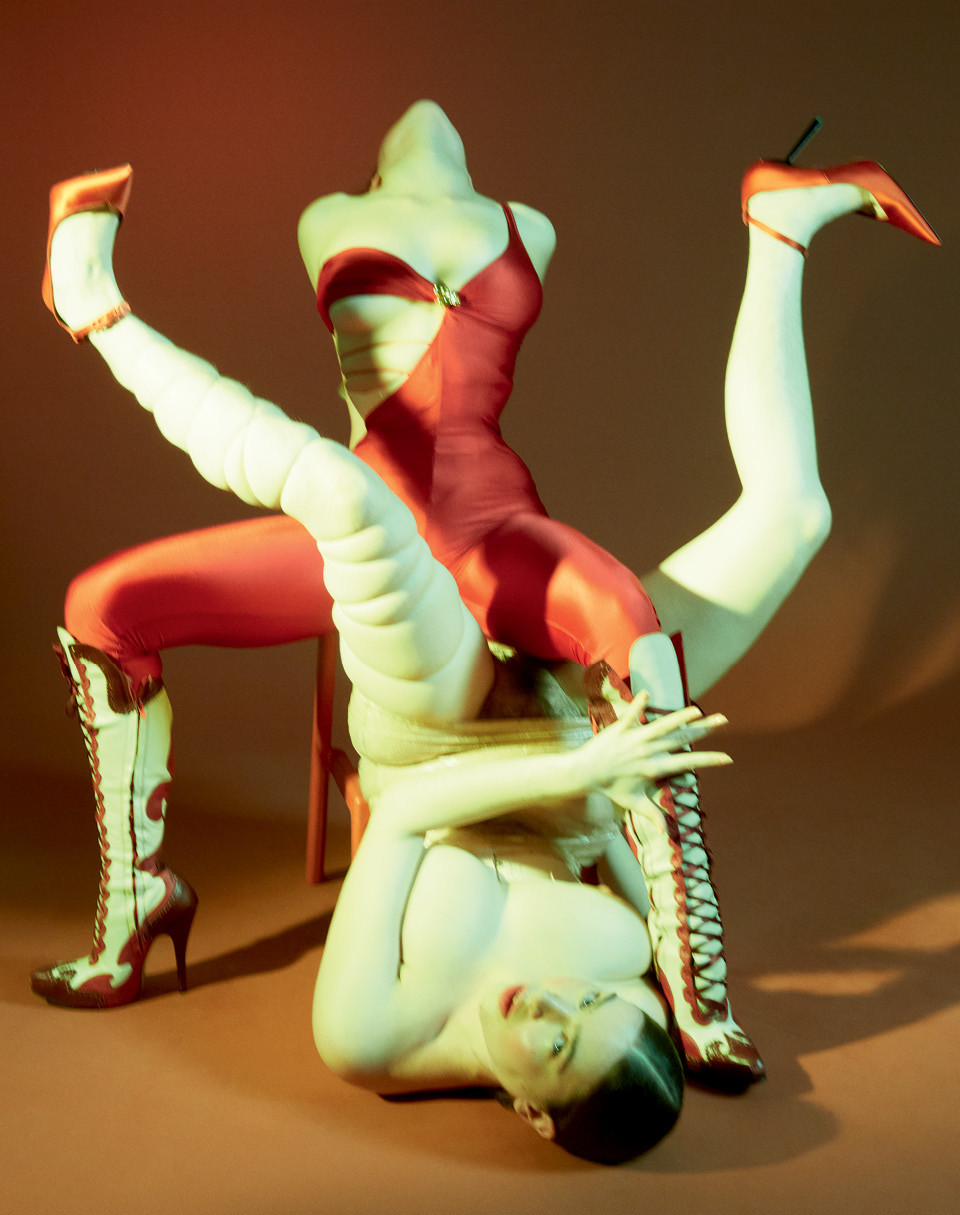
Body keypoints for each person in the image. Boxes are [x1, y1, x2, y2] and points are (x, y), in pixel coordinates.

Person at [31, 105, 939, 1098]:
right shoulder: (327, 221)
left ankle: (95, 310)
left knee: (499, 561)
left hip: (475, 592)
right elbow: (593, 828)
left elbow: (431, 825)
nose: (428, 116)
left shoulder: (520, 227)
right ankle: (138, 899)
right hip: (478, 621)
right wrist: (592, 795)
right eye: (589, 1016)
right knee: (105, 605)